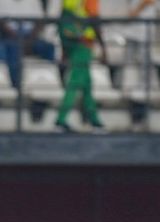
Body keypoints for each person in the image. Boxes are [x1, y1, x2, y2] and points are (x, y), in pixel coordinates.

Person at [54, 0, 105, 133]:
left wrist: (64, 47)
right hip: (83, 43)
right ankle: (61, 120)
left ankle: (95, 122)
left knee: (87, 85)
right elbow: (94, 19)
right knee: (75, 83)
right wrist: (103, 46)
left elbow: (63, 18)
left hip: (72, 42)